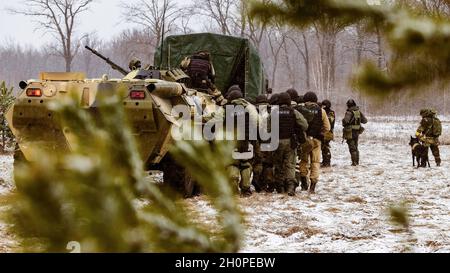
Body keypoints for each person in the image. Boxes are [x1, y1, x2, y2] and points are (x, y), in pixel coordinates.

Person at [273, 92, 308, 196]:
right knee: (290, 165)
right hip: (290, 141)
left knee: (278, 164)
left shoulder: (274, 112)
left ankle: (280, 187)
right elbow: (305, 125)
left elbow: (267, 128)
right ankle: (290, 187)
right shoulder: (294, 112)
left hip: (276, 141)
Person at [225, 86, 258, 197]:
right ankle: (246, 188)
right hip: (245, 141)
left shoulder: (226, 109)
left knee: (232, 164)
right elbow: (254, 124)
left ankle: (233, 187)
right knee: (245, 164)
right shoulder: (248, 110)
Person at [296, 92, 331, 194]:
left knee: (303, 161)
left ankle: (303, 182)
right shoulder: (322, 111)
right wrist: (320, 133)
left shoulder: (300, 109)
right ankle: (313, 186)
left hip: (304, 140)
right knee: (315, 162)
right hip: (316, 140)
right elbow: (327, 127)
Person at [252, 95, 274, 192]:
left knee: (258, 162)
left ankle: (256, 180)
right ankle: (266, 183)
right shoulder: (271, 111)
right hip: (269, 140)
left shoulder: (254, 112)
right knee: (268, 163)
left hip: (257, 140)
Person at [342, 99, 368, 166]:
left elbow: (345, 121)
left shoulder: (349, 112)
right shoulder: (358, 111)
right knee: (356, 147)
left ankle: (354, 163)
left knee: (352, 148)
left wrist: (343, 121)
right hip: (357, 132)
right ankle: (357, 162)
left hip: (350, 132)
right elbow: (365, 121)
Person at [321, 100, 336, 167]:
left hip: (327, 132)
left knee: (325, 147)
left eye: (324, 105)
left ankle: (327, 162)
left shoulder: (329, 113)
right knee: (324, 147)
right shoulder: (331, 112)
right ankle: (325, 161)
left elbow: (330, 122)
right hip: (329, 132)